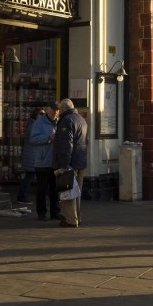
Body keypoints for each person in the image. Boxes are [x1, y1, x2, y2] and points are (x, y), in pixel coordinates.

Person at [52, 97, 87, 228]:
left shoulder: (66, 121)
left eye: (59, 109)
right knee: (77, 192)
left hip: (70, 162)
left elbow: (67, 145)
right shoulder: (81, 119)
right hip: (80, 161)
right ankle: (78, 216)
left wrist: (64, 165)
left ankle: (71, 219)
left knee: (67, 191)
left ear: (63, 109)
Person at [30, 102, 62, 221]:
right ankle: (41, 213)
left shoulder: (59, 123)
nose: (56, 112)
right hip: (42, 161)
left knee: (54, 189)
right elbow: (33, 139)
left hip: (55, 162)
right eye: (54, 109)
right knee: (42, 189)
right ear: (48, 110)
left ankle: (55, 212)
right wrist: (49, 138)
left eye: (58, 110)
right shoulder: (39, 123)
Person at [16, 106, 43, 204]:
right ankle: (21, 196)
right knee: (29, 176)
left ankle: (22, 195)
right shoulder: (34, 125)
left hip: (32, 154)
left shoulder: (33, 124)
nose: (43, 116)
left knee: (30, 176)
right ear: (36, 115)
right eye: (41, 114)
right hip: (32, 155)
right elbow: (35, 139)